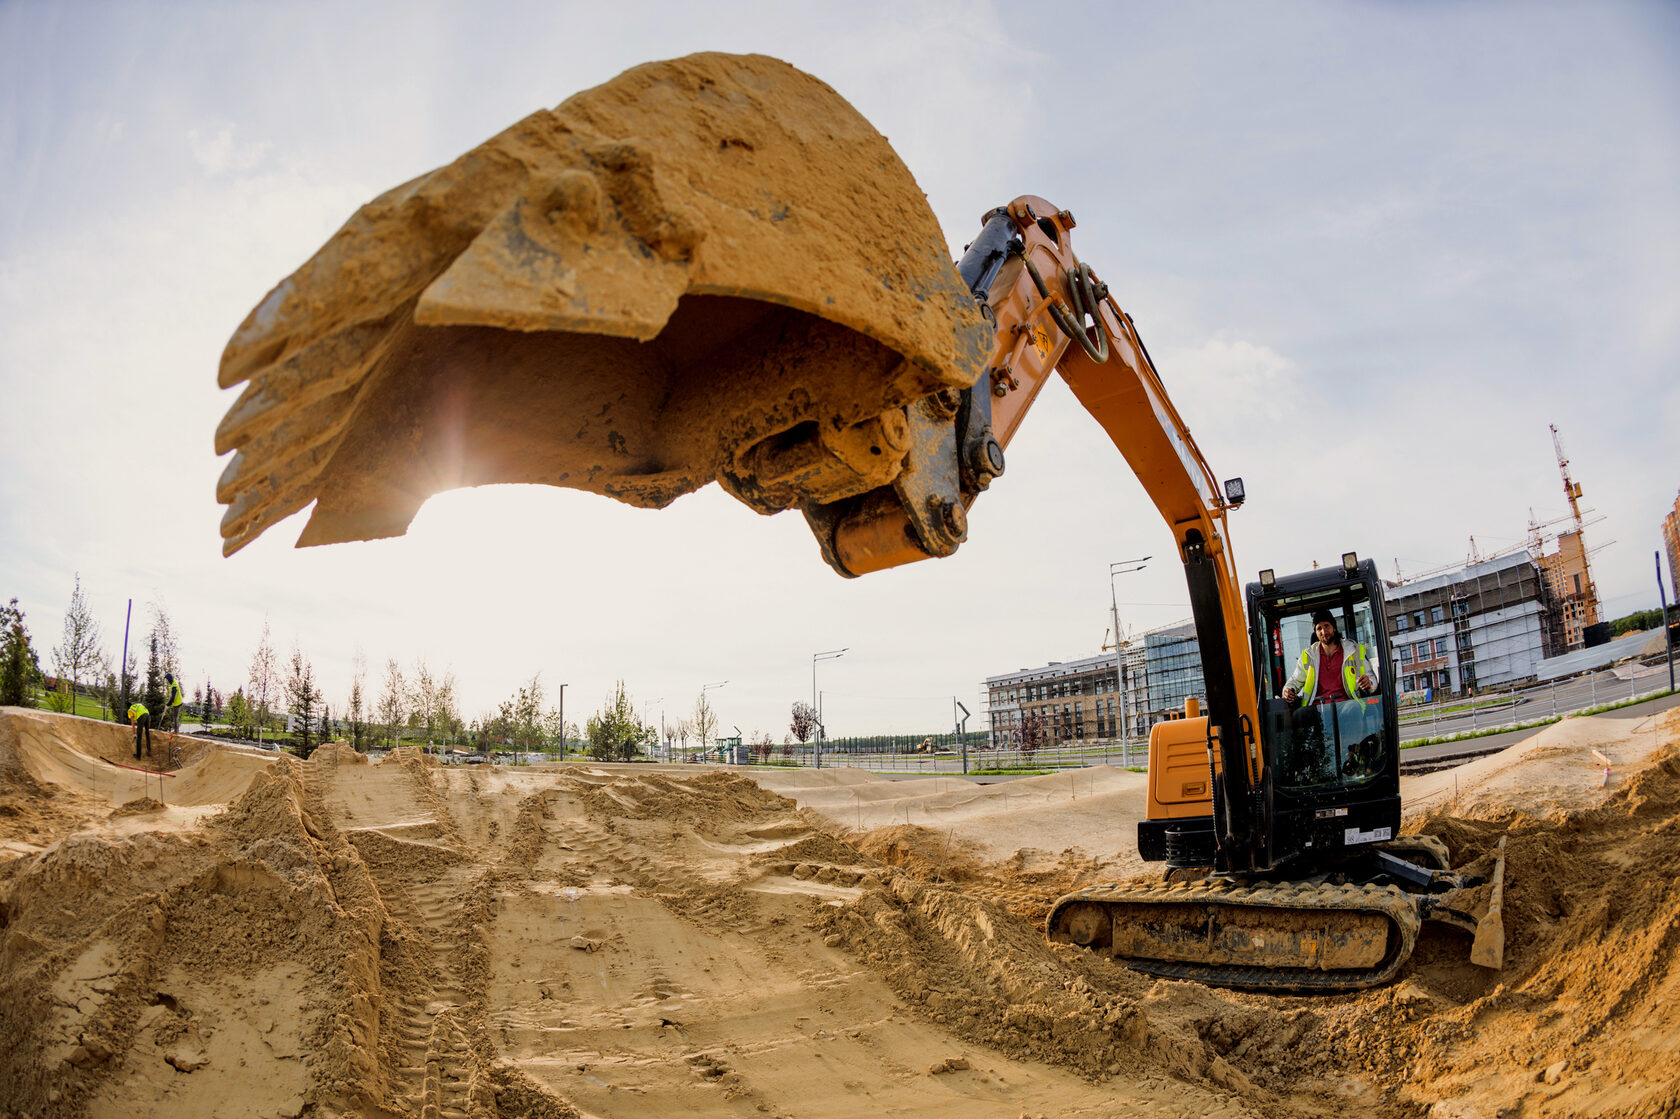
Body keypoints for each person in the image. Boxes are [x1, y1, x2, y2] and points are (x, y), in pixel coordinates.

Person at [1279, 609, 1377, 777]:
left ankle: (1352, 756)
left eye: (1327, 626)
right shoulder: (1308, 656)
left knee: (1353, 710)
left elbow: (1371, 679)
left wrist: (1368, 683)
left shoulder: (1353, 650)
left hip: (1345, 704)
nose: (1324, 632)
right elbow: (1294, 681)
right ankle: (1304, 765)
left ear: (1334, 627)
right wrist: (1288, 691)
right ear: (1315, 631)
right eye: (1319, 628)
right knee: (1299, 715)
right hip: (1318, 708)